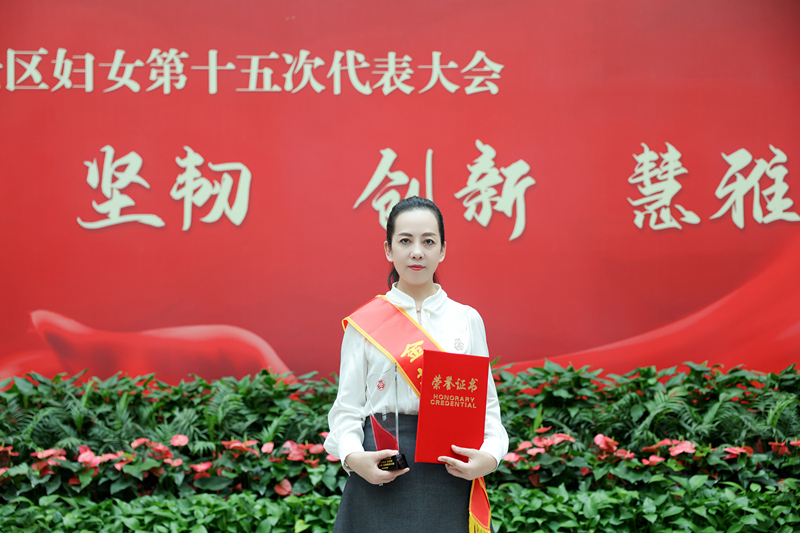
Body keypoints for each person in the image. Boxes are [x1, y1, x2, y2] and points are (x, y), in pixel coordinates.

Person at [324, 197, 508, 533]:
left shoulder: (466, 320)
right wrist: (353, 457)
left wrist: (491, 456)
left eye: (428, 241)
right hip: (381, 467)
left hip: (448, 469)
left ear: (443, 250)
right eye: (405, 241)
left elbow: (487, 408)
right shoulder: (365, 325)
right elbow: (346, 409)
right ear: (388, 249)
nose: (417, 252)